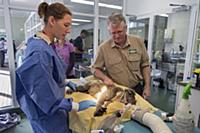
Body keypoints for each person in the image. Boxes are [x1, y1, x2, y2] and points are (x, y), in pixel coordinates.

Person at [15, 2, 95, 133]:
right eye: (66, 25)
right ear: (52, 20)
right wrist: (75, 106)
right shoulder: (39, 52)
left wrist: (66, 82)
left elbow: (49, 74)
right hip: (46, 113)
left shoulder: (47, 45)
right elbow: (43, 93)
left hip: (50, 109)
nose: (69, 30)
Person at [91, 13, 151, 99]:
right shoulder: (103, 48)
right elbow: (95, 69)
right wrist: (105, 79)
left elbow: (145, 65)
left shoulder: (138, 42)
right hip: (116, 92)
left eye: (119, 32)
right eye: (113, 33)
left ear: (126, 28)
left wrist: (147, 87)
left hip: (137, 89)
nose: (117, 36)